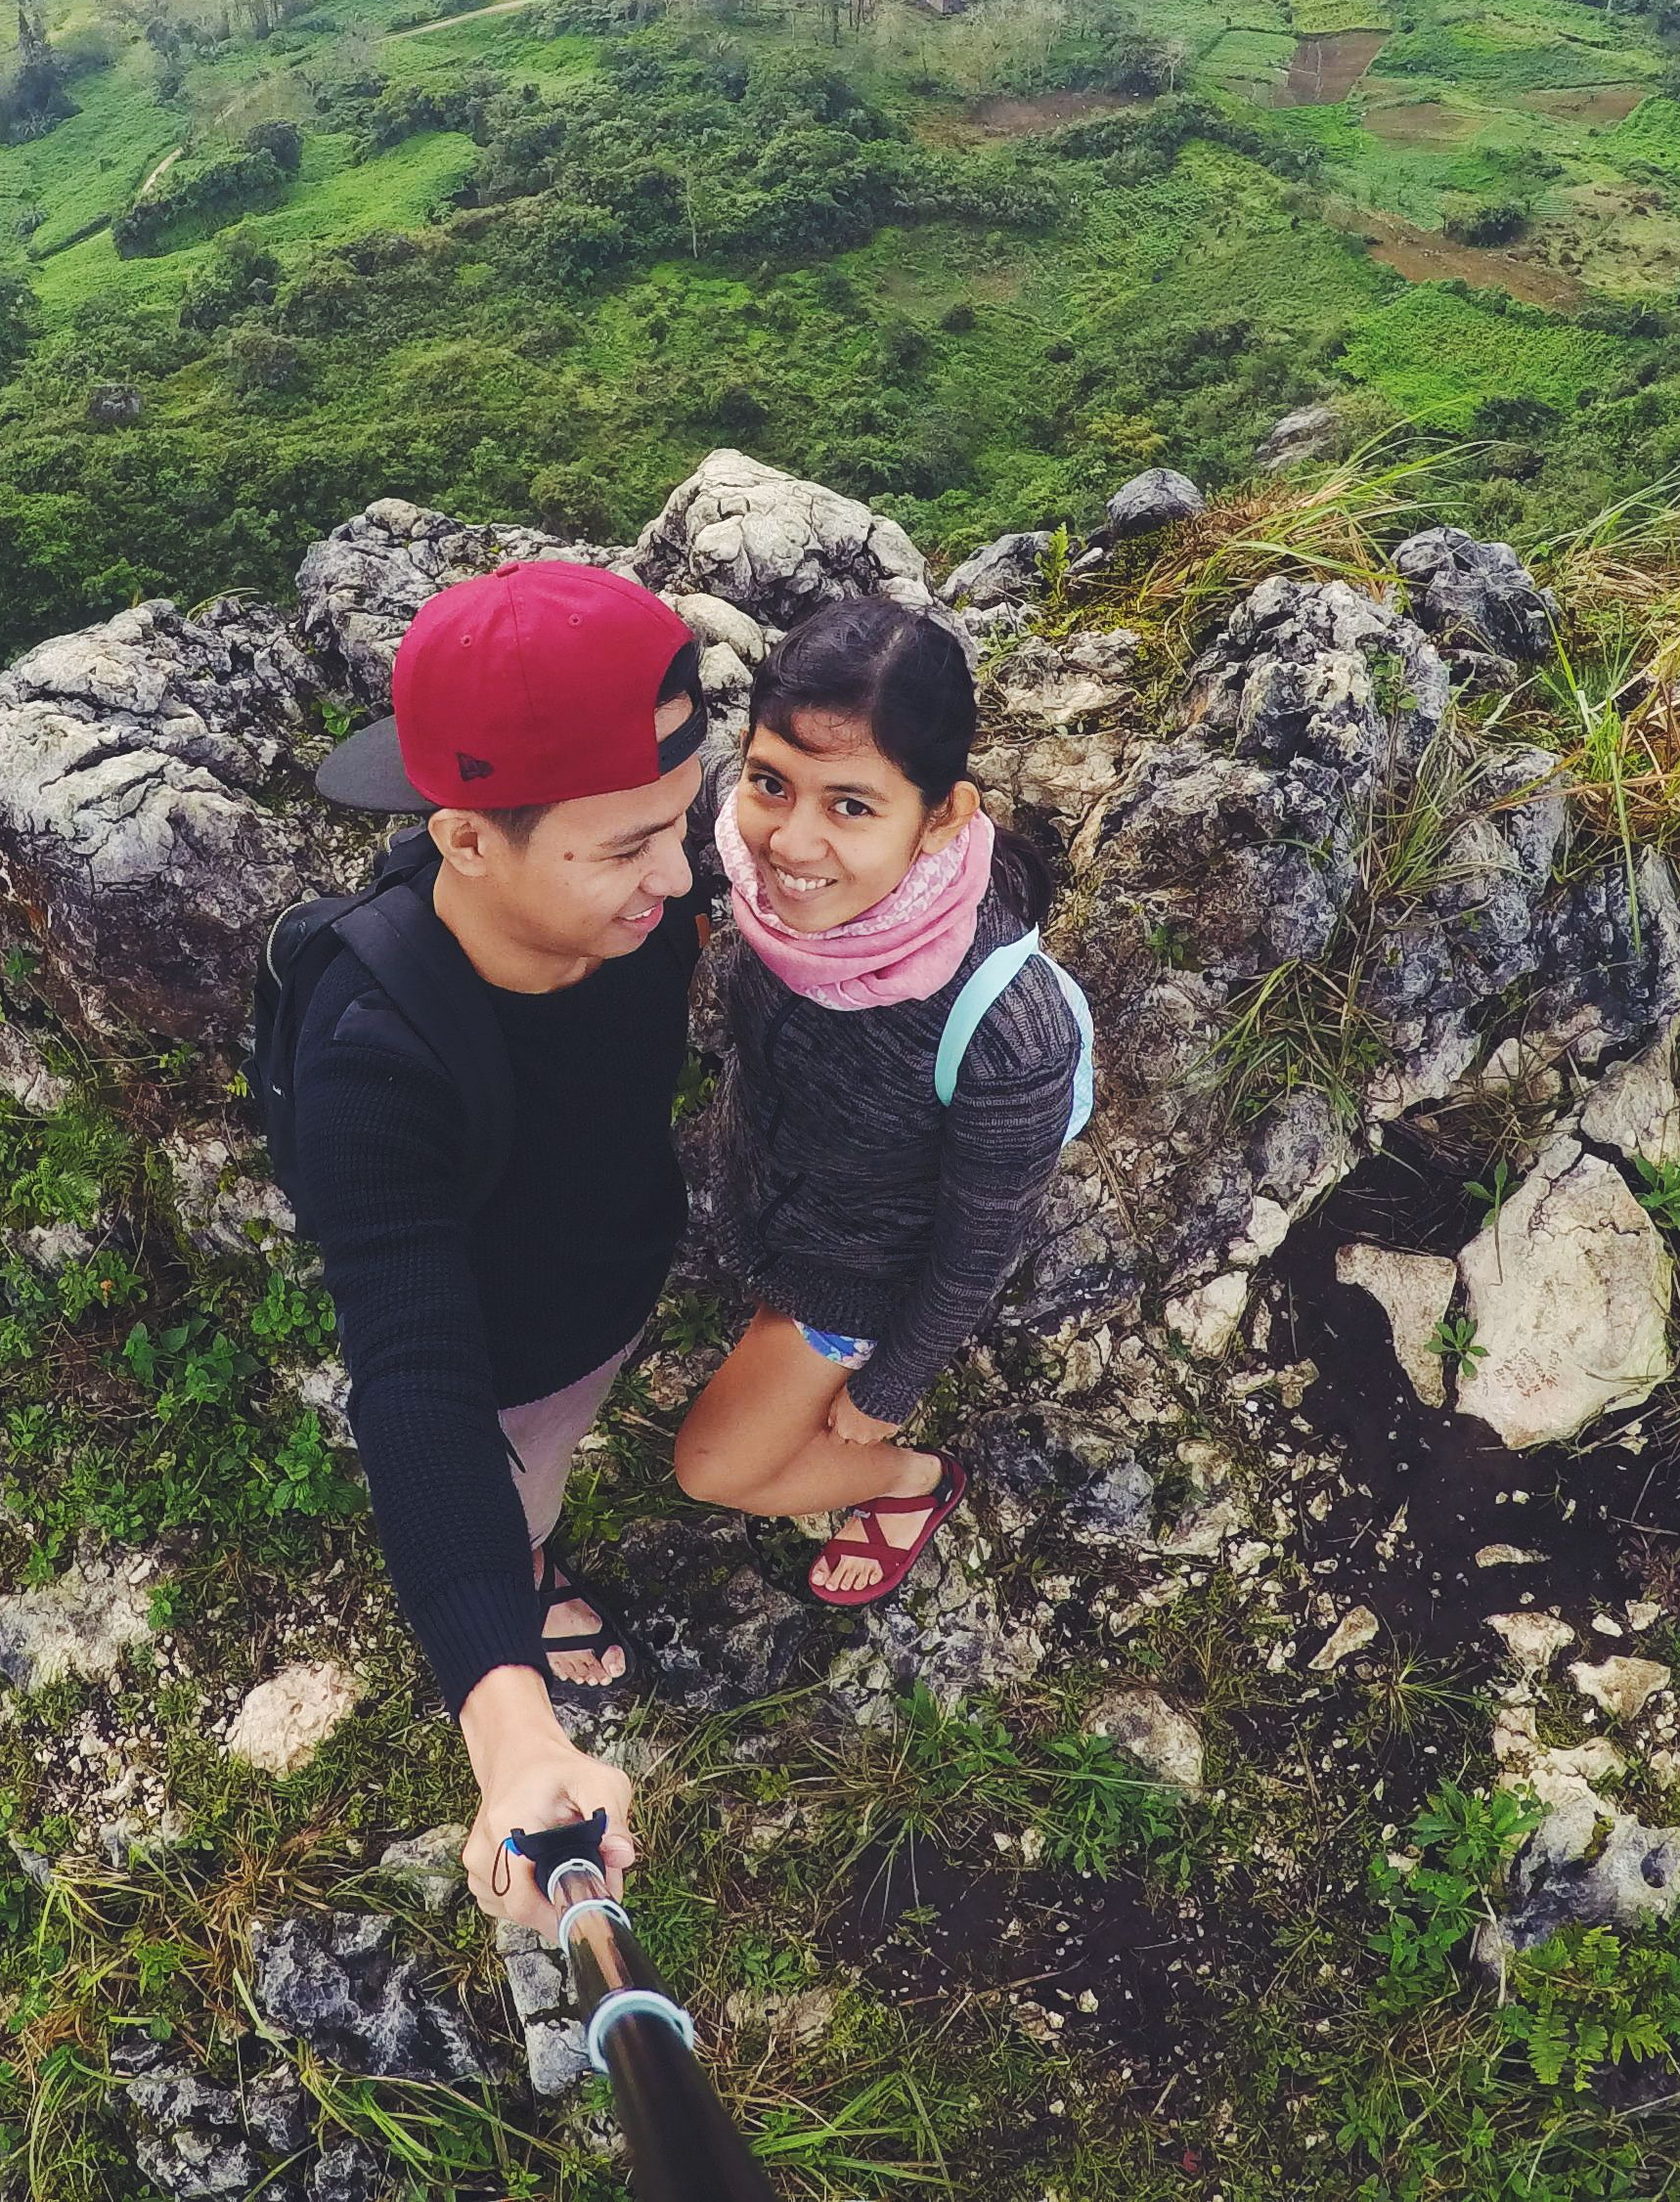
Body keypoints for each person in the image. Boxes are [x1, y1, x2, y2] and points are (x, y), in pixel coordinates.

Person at [279, 559, 713, 1935]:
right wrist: (514, 1734)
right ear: (467, 840)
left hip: (619, 1268)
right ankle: (526, 1572)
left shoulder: (642, 905)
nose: (683, 875)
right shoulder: (375, 1059)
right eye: (628, 844)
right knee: (519, 1481)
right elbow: (417, 1381)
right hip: (511, 1352)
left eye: (682, 823)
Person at [671, 596, 1090, 1607]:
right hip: (756, 1176)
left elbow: (979, 1240)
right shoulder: (742, 842)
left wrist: (890, 1388)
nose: (792, 844)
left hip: (854, 1272)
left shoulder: (1004, 1029)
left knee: (712, 1467)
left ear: (943, 814)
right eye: (773, 783)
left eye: (852, 804)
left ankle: (915, 1485)